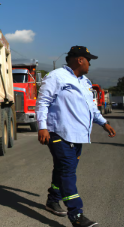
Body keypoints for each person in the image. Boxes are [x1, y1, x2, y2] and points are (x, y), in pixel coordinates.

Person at [35, 46, 116, 227]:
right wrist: (42, 126)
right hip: (59, 133)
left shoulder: (85, 82)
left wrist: (104, 123)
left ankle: (53, 199)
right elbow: (43, 102)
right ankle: (76, 215)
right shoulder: (56, 77)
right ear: (80, 60)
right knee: (67, 172)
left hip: (78, 136)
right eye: (89, 60)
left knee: (62, 169)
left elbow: (92, 109)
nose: (90, 64)